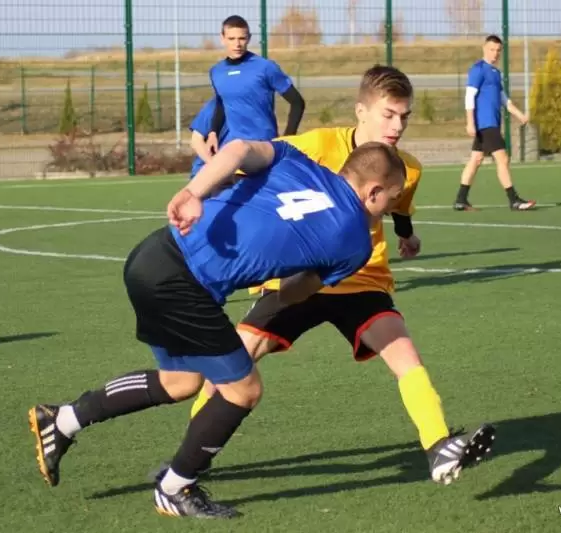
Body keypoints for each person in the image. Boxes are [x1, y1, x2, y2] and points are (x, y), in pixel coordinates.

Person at [27, 138, 407, 519]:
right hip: (183, 286)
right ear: (373, 192)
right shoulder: (356, 242)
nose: (390, 210)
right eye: (391, 200)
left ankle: (62, 420)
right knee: (244, 390)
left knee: (181, 382)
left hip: (153, 254)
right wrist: (288, 271)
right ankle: (175, 488)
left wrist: (193, 193)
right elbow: (292, 293)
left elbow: (238, 148)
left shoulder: (296, 160)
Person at [179, 65, 496, 487]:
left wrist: (407, 236)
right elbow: (253, 159)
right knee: (233, 360)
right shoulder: (318, 145)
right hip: (298, 279)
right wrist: (215, 194)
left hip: (362, 280)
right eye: (388, 114)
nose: (397, 126)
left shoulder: (408, 168)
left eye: (404, 116)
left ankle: (438, 446)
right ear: (361, 111)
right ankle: (189, 458)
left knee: (405, 356)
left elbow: (400, 208)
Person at [453, 35, 535, 212]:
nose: (495, 53)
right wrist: (470, 122)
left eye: (498, 50)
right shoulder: (478, 69)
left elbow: (504, 100)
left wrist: (519, 115)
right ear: (484, 48)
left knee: (476, 159)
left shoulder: (496, 73)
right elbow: (469, 97)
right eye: (492, 49)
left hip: (490, 124)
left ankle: (461, 199)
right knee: (502, 158)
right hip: (486, 124)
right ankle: (514, 200)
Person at [207, 15, 305, 155]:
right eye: (231, 39)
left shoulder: (265, 67)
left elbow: (297, 102)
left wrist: (287, 139)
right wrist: (213, 133)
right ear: (222, 39)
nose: (237, 44)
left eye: (242, 38)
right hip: (233, 147)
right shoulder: (216, 71)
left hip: (264, 146)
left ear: (249, 38)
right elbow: (221, 104)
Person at [188, 98, 229, 178]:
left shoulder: (250, 108)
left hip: (238, 173)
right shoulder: (214, 106)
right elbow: (196, 141)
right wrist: (215, 166)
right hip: (207, 173)